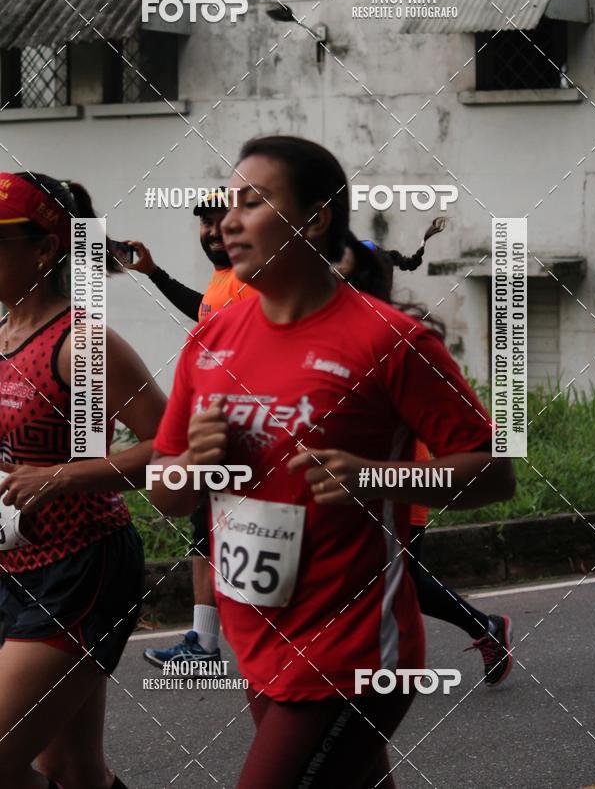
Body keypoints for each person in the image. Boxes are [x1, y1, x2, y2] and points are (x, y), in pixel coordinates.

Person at [149, 135, 516, 789]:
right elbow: (165, 492)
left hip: (353, 654)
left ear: (314, 218)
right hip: (258, 639)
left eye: (253, 201)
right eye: (226, 203)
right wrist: (190, 467)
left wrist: (377, 478)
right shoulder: (209, 339)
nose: (227, 221)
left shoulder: (391, 340)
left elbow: (495, 473)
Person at [0, 172, 166, 789]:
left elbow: (170, 449)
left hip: (81, 566)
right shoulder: (2, 339)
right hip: (14, 564)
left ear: (44, 250)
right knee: (72, 769)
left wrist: (61, 479)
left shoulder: (81, 343)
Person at [341, 235, 513, 686]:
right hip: (349, 494)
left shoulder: (395, 338)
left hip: (401, 489)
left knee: (404, 582)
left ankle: (482, 627)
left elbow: (484, 455)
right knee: (384, 582)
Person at [125, 194, 257, 669]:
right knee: (205, 532)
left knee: (234, 534)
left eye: (222, 222)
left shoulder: (251, 281)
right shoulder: (224, 280)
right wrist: (155, 274)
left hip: (245, 434)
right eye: (205, 223)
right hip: (214, 433)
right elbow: (201, 310)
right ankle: (205, 643)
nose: (212, 231)